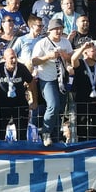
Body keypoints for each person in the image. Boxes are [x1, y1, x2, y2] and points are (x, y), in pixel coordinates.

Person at [30, 17, 74, 146]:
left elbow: (71, 57)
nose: (58, 31)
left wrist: (66, 57)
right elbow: (34, 61)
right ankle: (46, 132)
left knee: (60, 109)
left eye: (60, 28)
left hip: (62, 79)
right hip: (47, 79)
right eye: (55, 29)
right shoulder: (42, 43)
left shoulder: (66, 42)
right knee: (53, 105)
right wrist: (48, 57)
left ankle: (55, 136)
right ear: (50, 30)